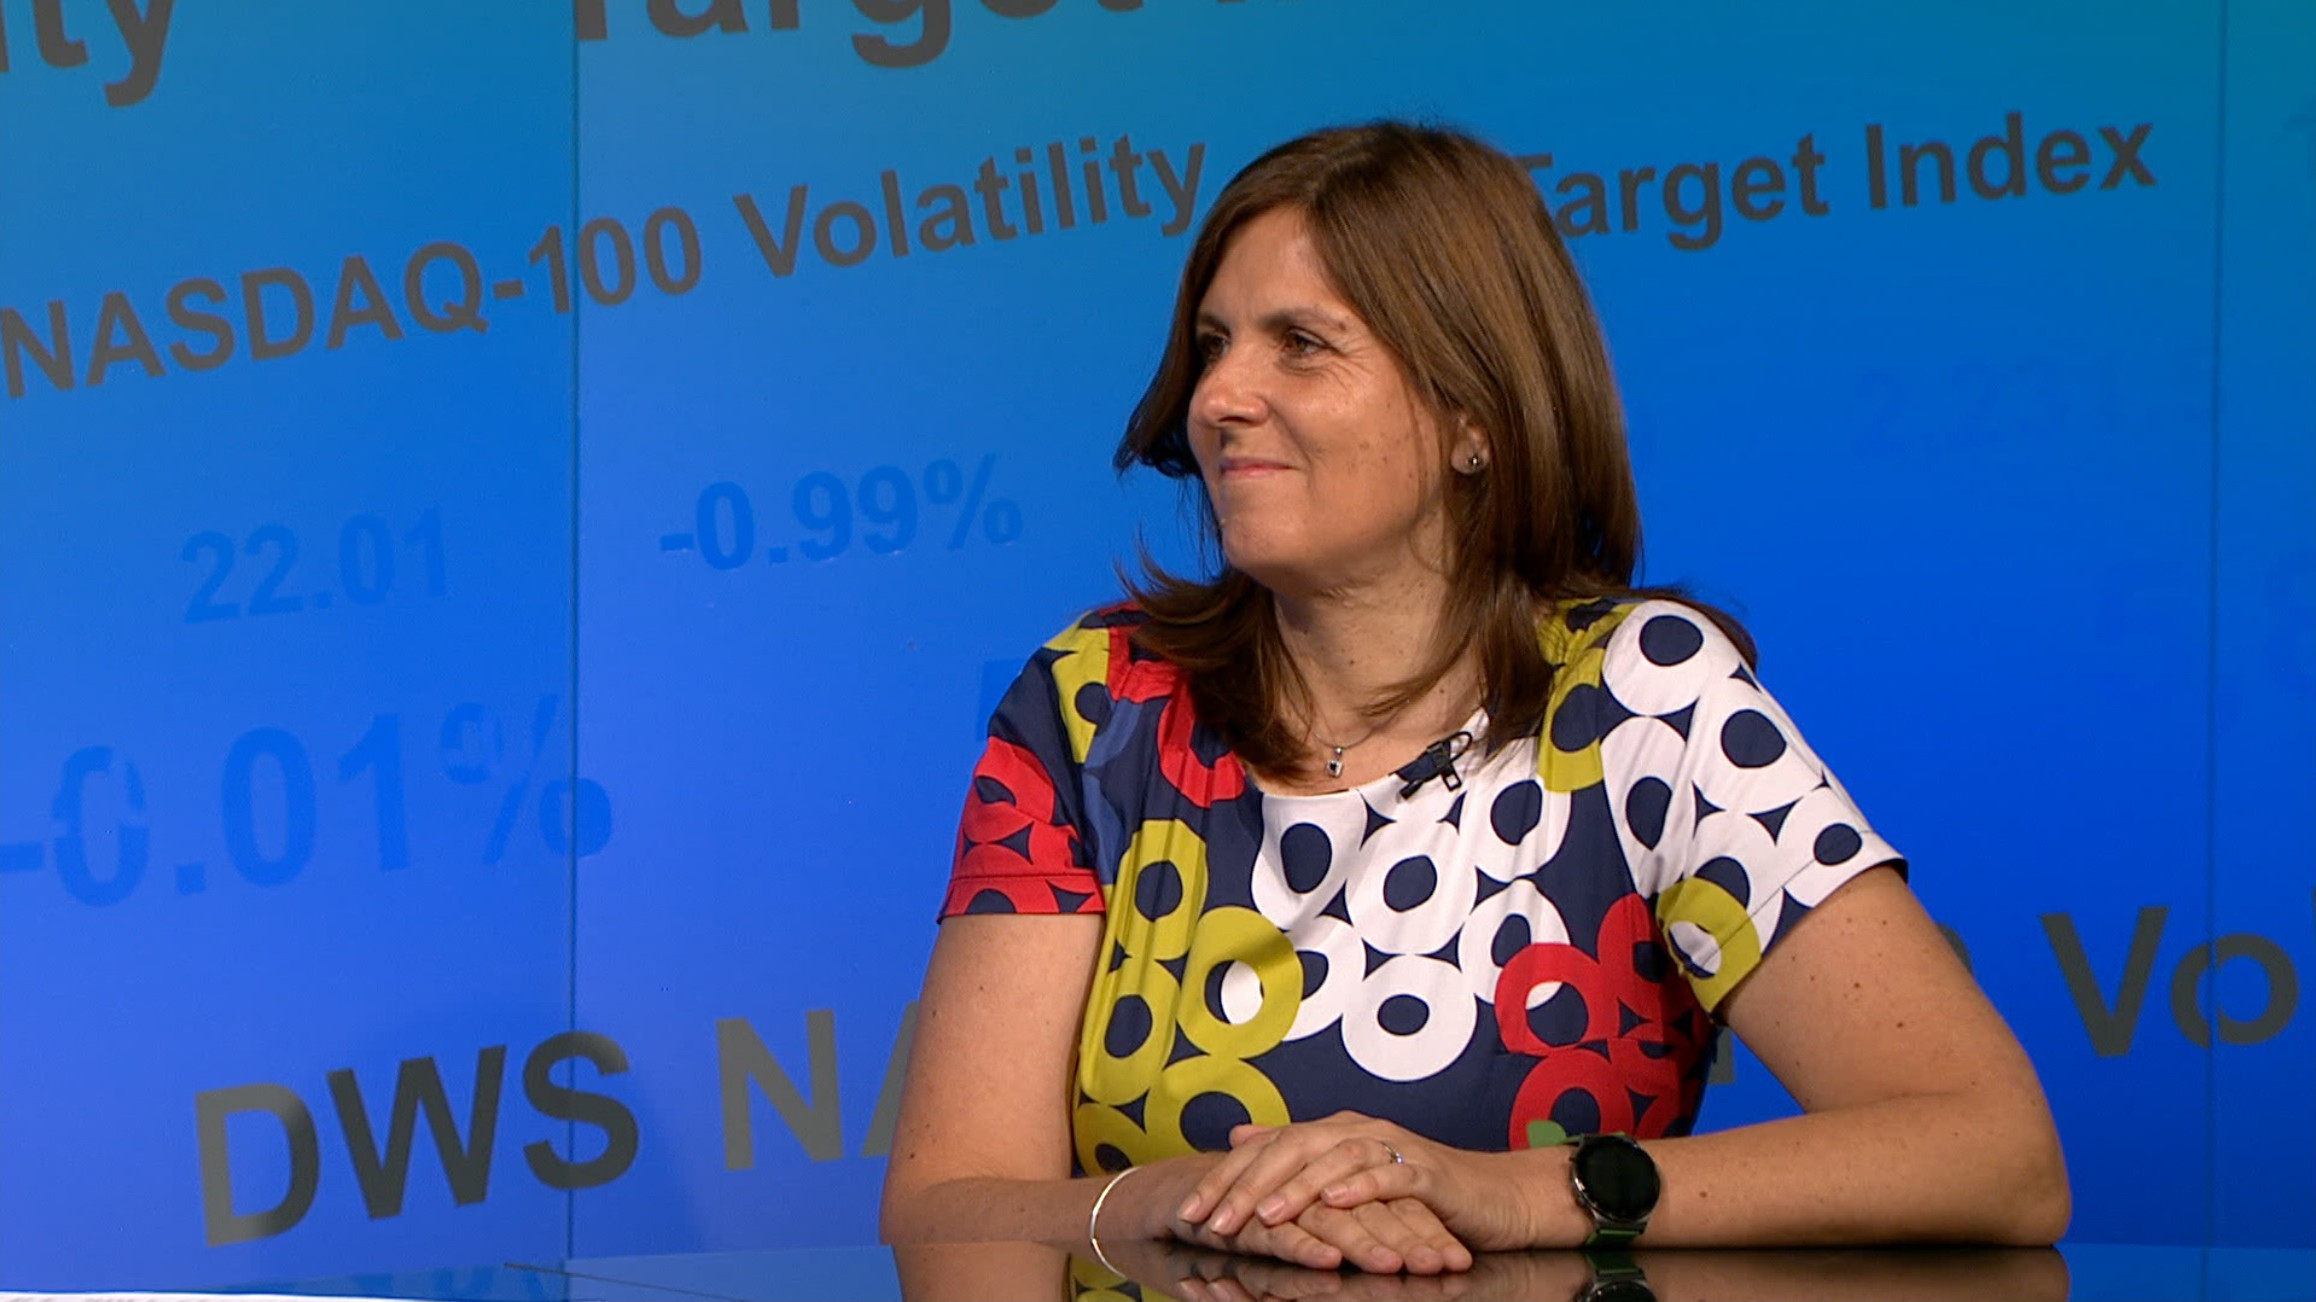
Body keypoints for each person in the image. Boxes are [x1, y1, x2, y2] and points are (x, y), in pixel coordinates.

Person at [879, 121, 2069, 1275]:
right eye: (1213, 342)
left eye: (1301, 344)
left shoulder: (1644, 700)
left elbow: (1996, 1155)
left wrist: (1509, 1196)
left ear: (1473, 419)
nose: (1217, 397)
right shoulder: (1095, 706)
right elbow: (945, 1205)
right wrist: (1184, 1201)